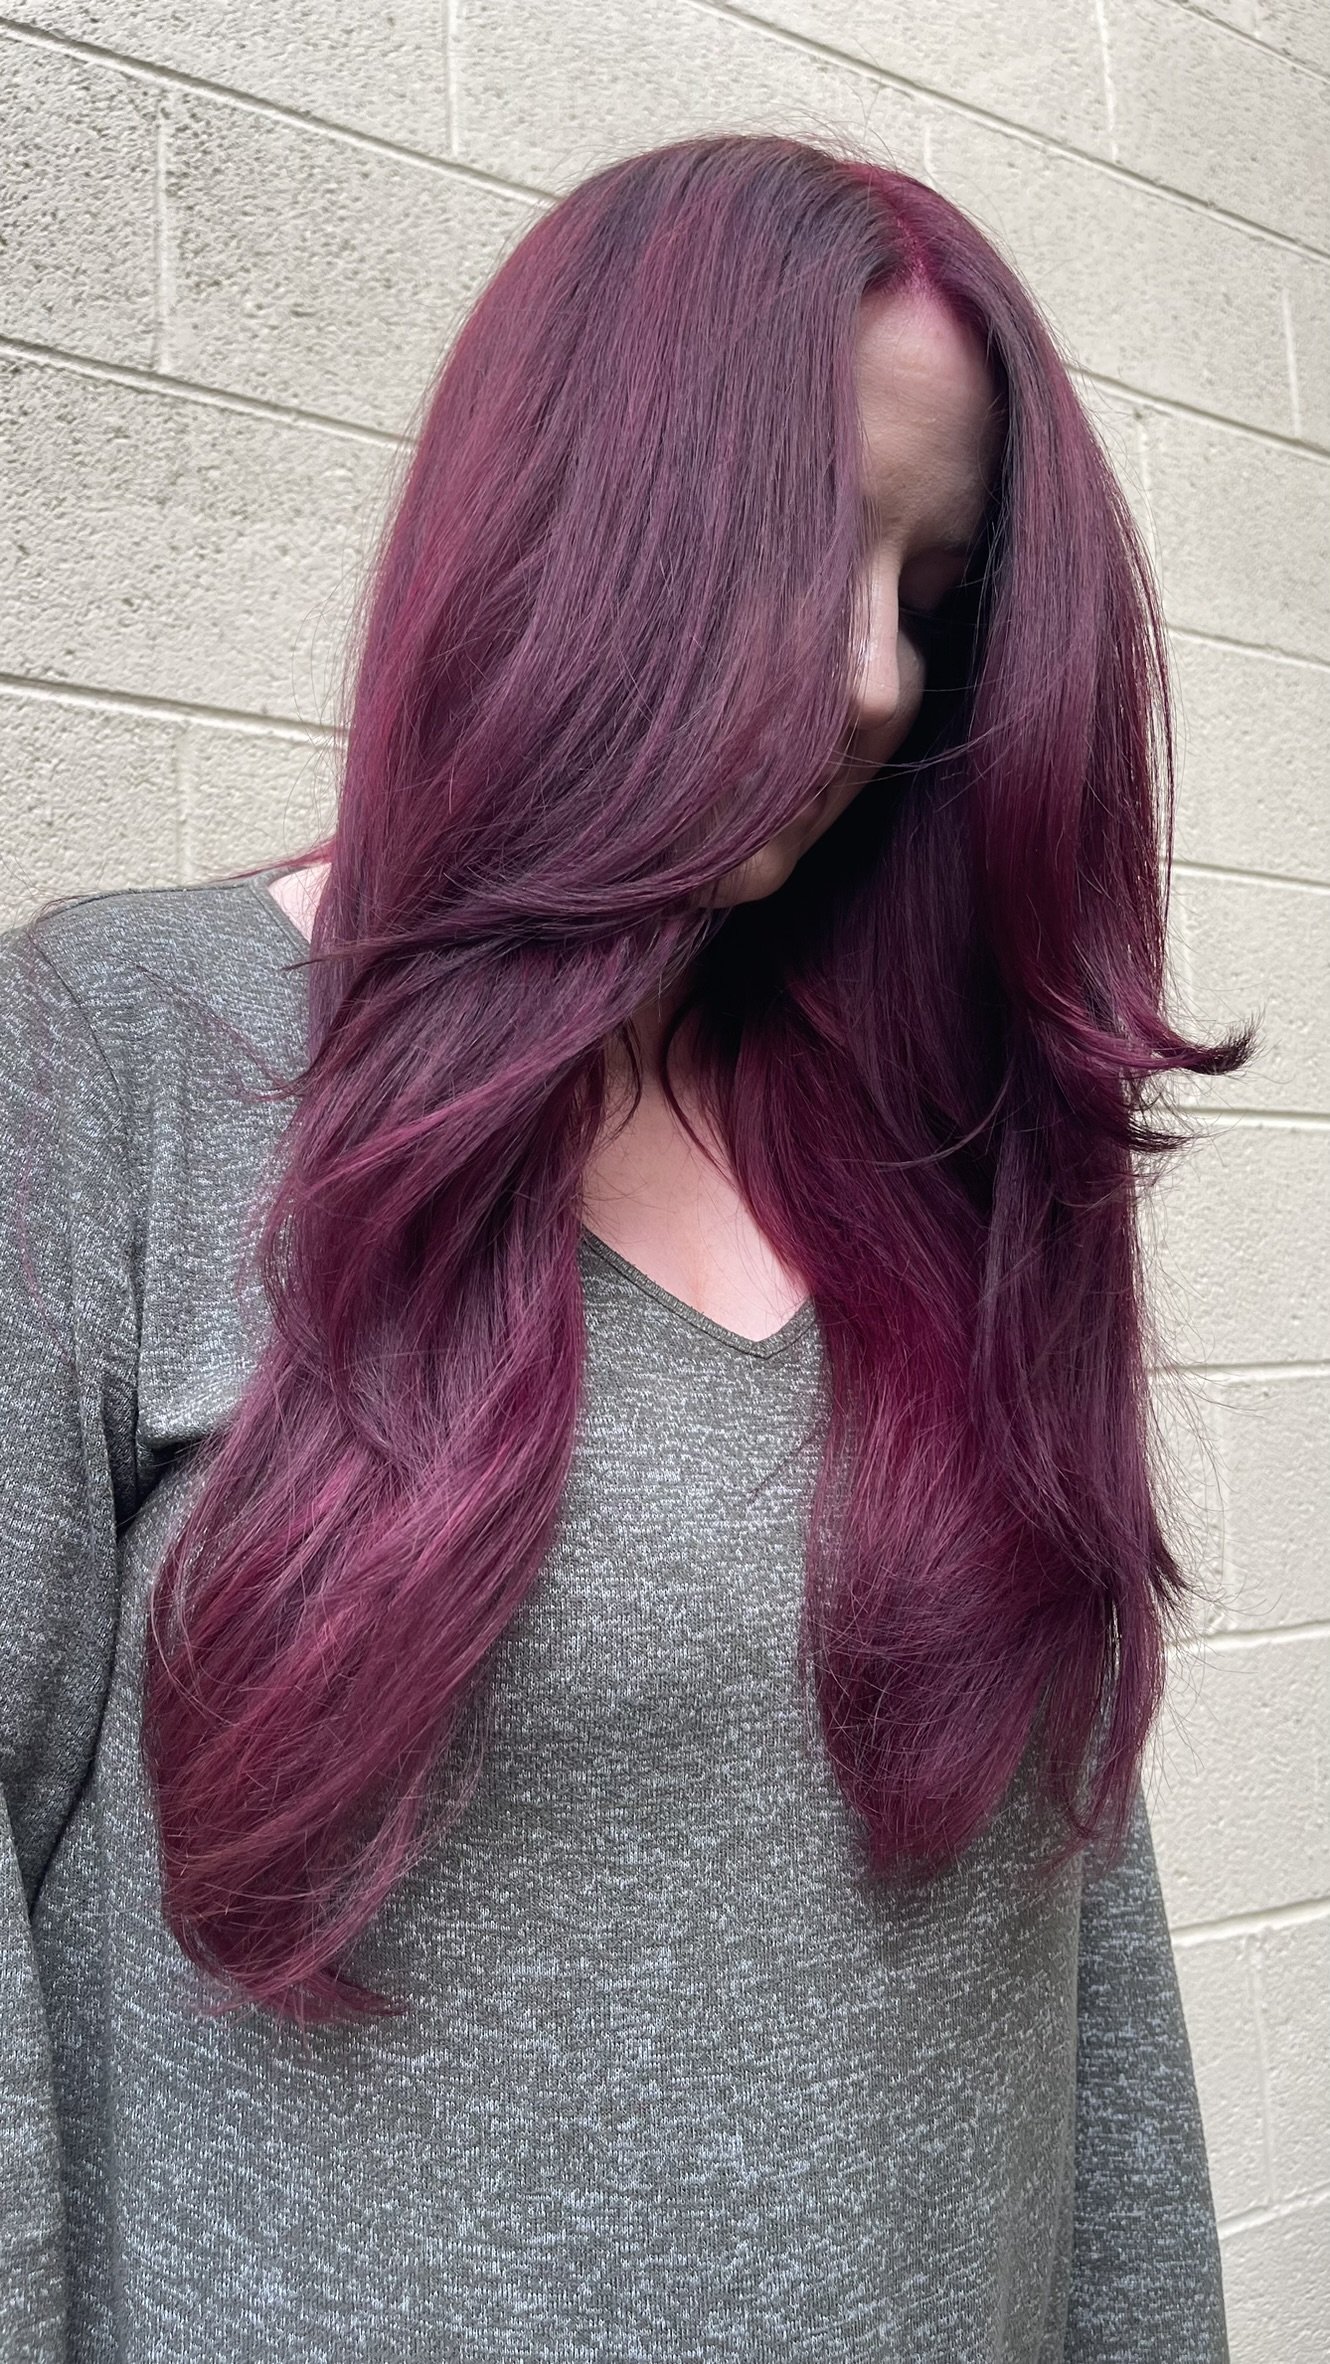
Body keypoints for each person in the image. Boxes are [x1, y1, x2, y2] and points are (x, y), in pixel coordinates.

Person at [0, 135, 1245, 2361]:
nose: (874, 677)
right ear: (580, 521)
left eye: (931, 591)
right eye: (802, 544)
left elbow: (1080, 1971)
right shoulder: (119, 1061)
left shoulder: (956, 1151)